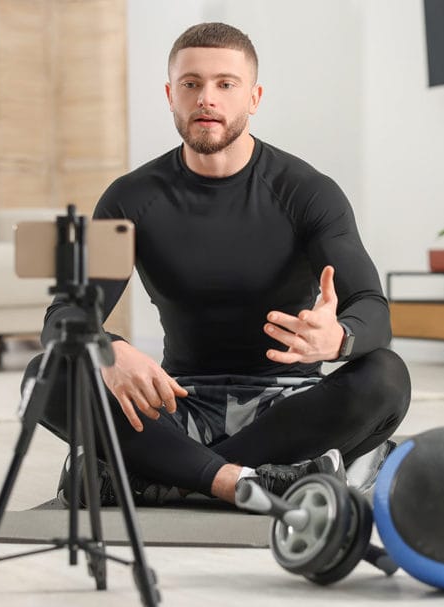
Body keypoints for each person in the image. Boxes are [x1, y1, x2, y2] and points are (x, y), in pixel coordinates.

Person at [24, 22, 411, 506]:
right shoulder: (129, 199)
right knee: (48, 372)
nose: (207, 98)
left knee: (386, 376)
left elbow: (373, 309)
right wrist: (105, 347)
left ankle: (157, 475)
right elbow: (61, 317)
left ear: (254, 97)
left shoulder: (308, 192)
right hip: (173, 402)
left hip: (286, 407)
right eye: (191, 84)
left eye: (226, 84)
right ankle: (243, 481)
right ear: (171, 94)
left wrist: (339, 337)